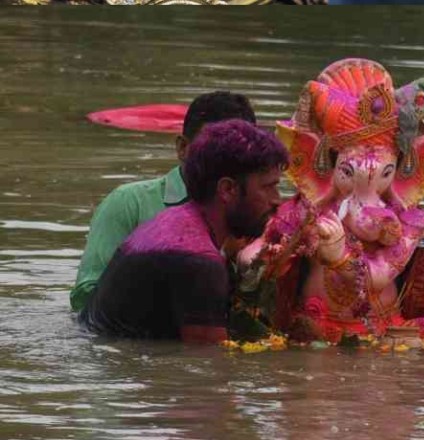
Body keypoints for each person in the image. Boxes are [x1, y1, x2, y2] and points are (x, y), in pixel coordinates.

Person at [79, 119, 288, 343]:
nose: (278, 200)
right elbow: (207, 369)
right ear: (227, 189)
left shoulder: (170, 222)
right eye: (268, 187)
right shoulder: (199, 260)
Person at [70, 91, 257, 312]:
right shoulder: (129, 203)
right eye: (210, 149)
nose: (222, 161)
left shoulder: (257, 211)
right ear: (182, 148)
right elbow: (85, 296)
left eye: (236, 152)